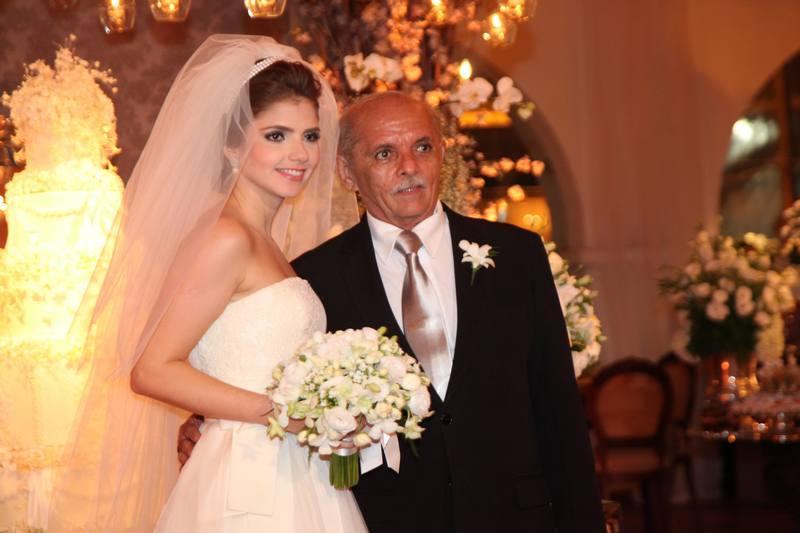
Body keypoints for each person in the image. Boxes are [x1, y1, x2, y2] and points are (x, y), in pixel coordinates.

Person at [181, 91, 604, 532]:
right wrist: (202, 425)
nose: (409, 166)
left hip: (516, 518)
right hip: (384, 519)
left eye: (422, 147)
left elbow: (559, 408)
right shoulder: (312, 279)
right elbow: (277, 379)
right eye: (384, 153)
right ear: (347, 172)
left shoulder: (517, 255)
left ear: (442, 155)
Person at [47, 35, 365, 532]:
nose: (299, 153)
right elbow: (152, 369)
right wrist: (283, 412)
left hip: (291, 470)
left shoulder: (264, 241)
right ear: (233, 144)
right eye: (276, 135)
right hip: (248, 477)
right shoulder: (226, 237)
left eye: (310, 135)